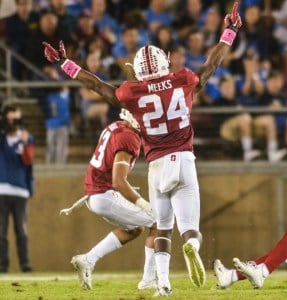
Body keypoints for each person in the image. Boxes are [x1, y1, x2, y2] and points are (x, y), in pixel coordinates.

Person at [42, 2, 243, 296]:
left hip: (157, 165)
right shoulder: (182, 80)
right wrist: (230, 31)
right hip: (184, 159)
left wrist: (66, 64)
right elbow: (211, 64)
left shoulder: (131, 93)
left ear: (136, 70)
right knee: (188, 227)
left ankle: (162, 284)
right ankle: (191, 245)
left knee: (161, 227)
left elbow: (97, 86)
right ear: (165, 62)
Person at [64, 109, 157, 290]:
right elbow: (118, 181)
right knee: (159, 222)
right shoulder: (129, 137)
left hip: (95, 192)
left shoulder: (115, 127)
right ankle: (148, 279)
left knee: (135, 229)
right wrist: (142, 203)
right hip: (104, 193)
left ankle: (88, 259)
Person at [0, 105, 34, 273]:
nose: (14, 122)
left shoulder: (27, 138)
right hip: (2, 189)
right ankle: (2, 265)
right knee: (1, 232)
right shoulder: (1, 138)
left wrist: (25, 141)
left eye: (17, 119)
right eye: (10, 119)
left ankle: (25, 265)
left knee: (22, 231)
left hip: (20, 190)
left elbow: (28, 161)